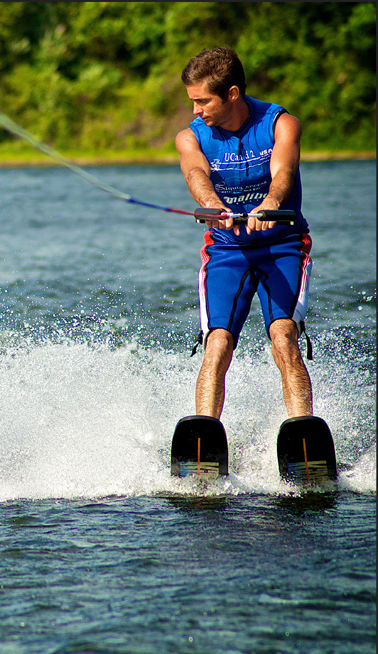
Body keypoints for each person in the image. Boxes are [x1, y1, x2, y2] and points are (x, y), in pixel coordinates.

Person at [175, 46, 314, 421]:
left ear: (232, 94)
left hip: (282, 245)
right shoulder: (190, 137)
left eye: (202, 101)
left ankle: (302, 431)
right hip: (226, 249)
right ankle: (204, 433)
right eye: (193, 102)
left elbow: (283, 171)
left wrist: (270, 202)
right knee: (217, 342)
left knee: (284, 336)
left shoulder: (280, 123)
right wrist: (211, 203)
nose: (195, 111)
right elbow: (196, 175)